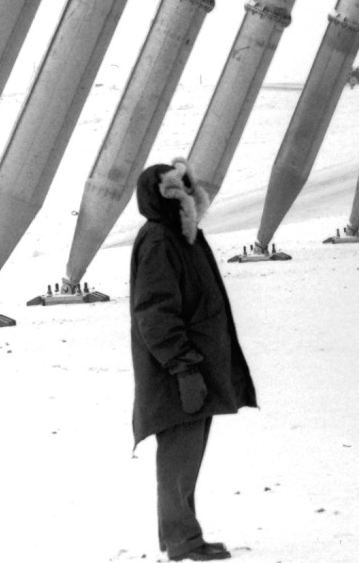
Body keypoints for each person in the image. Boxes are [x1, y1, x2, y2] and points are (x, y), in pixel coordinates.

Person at [130, 159, 257, 562]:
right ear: (164, 198)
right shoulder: (160, 240)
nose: (187, 197)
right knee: (178, 459)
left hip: (195, 365)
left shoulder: (181, 235)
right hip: (177, 370)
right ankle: (182, 541)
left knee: (186, 459)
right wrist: (183, 366)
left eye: (188, 189)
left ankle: (183, 536)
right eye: (178, 191)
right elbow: (155, 313)